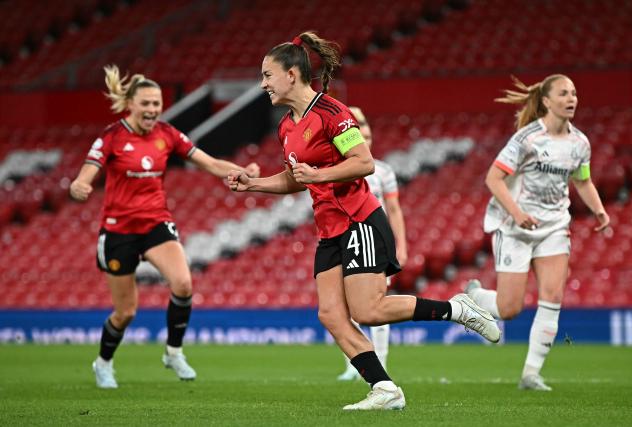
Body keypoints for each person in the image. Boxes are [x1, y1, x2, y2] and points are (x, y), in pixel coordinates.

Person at [227, 31, 500, 410]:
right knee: (331, 315)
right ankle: (385, 388)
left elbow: (363, 162)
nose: (263, 83)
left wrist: (318, 176)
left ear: (292, 74)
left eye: (267, 74)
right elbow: (295, 177)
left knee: (368, 310)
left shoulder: (331, 113)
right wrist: (253, 184)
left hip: (359, 219)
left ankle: (456, 309)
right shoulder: (287, 126)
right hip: (329, 228)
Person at [69, 65, 260, 389]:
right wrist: (79, 186)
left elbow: (211, 163)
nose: (152, 109)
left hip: (156, 223)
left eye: (156, 103)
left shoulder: (167, 134)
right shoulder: (112, 136)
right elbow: (87, 173)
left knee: (183, 283)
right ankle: (103, 363)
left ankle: (173, 352)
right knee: (126, 312)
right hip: (119, 230)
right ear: (131, 104)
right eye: (146, 103)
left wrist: (242, 171)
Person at [465, 74, 610, 391]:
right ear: (546, 101)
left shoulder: (580, 143)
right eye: (563, 93)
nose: (571, 98)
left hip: (554, 226)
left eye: (574, 93)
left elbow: (582, 180)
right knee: (509, 309)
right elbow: (493, 178)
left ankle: (531, 374)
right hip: (514, 226)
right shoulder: (526, 139)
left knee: (553, 297)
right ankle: (473, 297)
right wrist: (517, 214)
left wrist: (599, 209)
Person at [336, 106, 408, 382]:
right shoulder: (337, 169)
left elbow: (394, 209)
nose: (365, 137)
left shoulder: (383, 171)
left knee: (377, 304)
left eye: (367, 133)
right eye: (359, 132)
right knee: (344, 307)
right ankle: (352, 366)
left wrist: (400, 245)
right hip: (345, 240)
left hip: (375, 242)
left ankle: (382, 363)